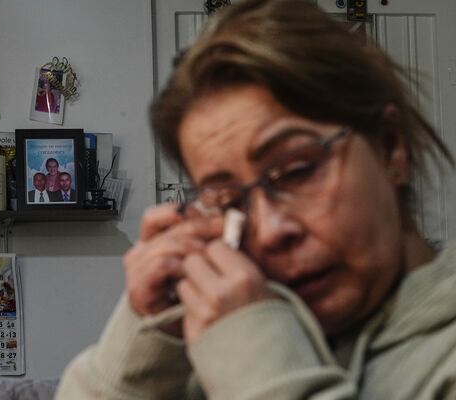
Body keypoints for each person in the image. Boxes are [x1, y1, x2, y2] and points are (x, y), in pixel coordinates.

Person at [56, 0, 456, 399]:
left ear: (390, 148)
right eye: (229, 200)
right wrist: (139, 353)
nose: (269, 232)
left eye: (298, 170)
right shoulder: (220, 350)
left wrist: (260, 369)